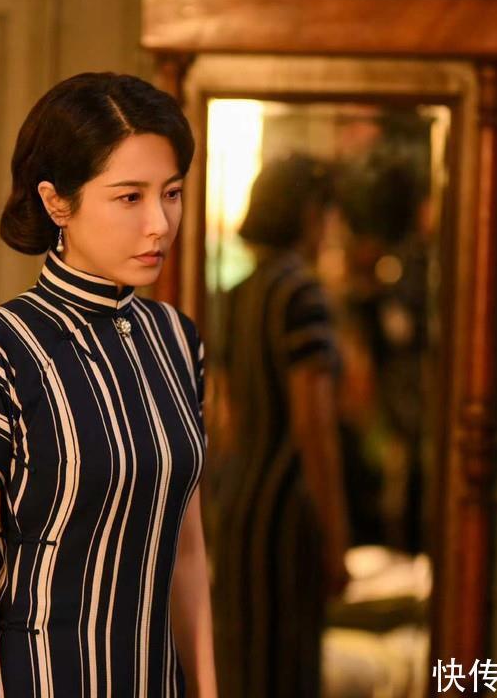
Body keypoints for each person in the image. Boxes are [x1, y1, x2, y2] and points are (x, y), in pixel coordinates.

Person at [0, 72, 217, 698]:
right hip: (40, 678)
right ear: (57, 202)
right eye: (129, 197)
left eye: (171, 193)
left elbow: (189, 555)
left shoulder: (177, 340)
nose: (160, 223)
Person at [210, 153, 352, 698]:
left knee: (243, 667)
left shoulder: (239, 294)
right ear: (310, 213)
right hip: (286, 511)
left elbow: (228, 420)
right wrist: (335, 539)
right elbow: (313, 427)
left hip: (239, 505)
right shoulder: (301, 294)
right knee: (286, 669)